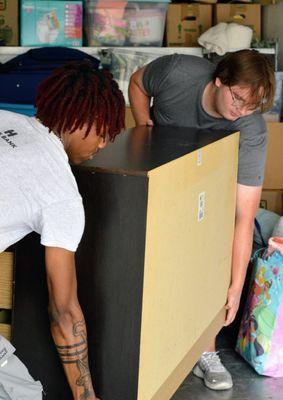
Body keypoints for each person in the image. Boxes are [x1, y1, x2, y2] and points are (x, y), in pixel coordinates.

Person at [129, 49, 275, 391]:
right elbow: (137, 82)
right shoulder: (177, 72)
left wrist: (236, 287)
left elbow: (244, 214)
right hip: (160, 175)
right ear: (218, 79)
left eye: (250, 107)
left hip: (210, 197)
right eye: (237, 99)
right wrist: (142, 126)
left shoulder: (250, 127)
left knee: (212, 248)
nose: (240, 111)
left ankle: (206, 349)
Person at [0, 60, 125, 400]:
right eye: (104, 132)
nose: (102, 145)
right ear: (83, 121)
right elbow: (65, 311)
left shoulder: (6, 119)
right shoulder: (61, 194)